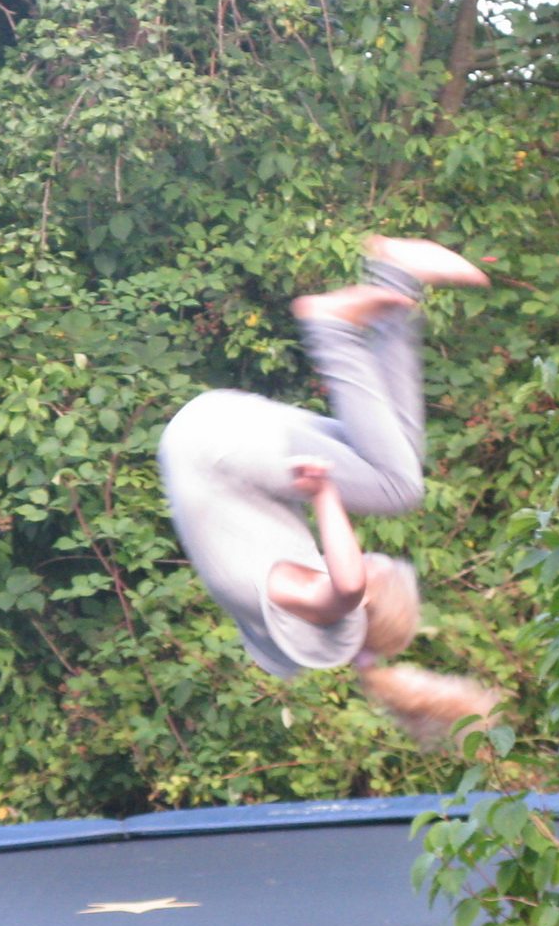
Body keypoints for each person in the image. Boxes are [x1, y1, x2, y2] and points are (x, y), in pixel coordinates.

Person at [158, 236, 501, 745]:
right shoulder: (299, 590)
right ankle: (395, 283)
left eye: (378, 568)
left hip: (214, 450)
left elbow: (346, 587)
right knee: (400, 457)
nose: (370, 556)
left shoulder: (314, 603)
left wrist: (324, 495)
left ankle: (333, 326)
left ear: (366, 601)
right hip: (219, 438)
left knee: (399, 487)